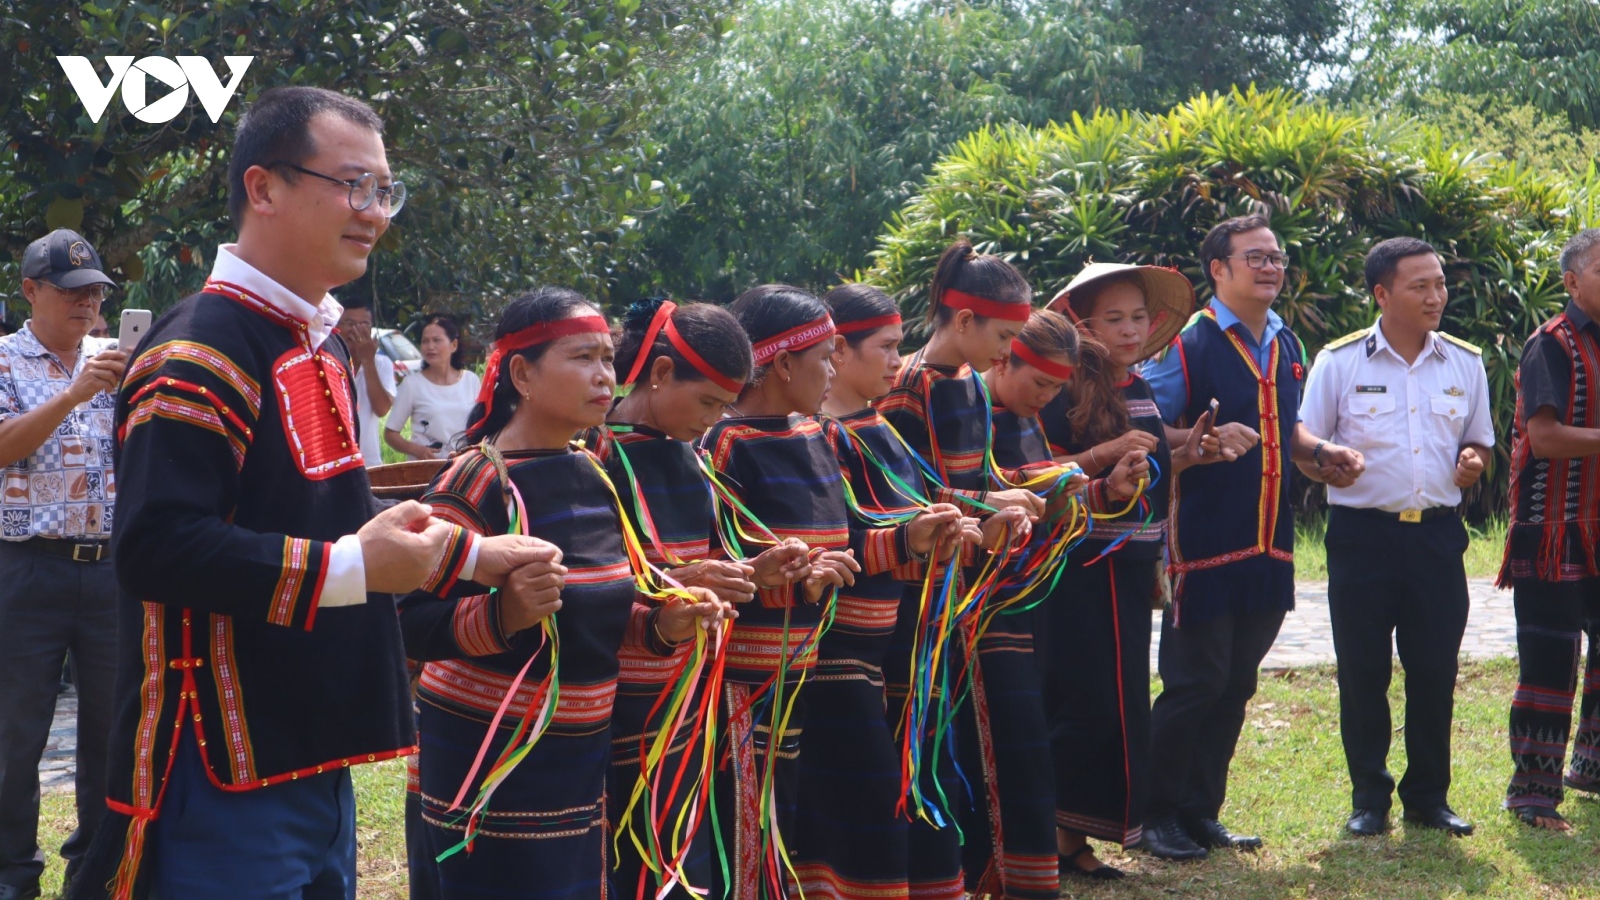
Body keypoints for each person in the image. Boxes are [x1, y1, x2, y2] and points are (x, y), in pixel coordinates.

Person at [72, 86, 549, 900]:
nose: (374, 212)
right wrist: (355, 570)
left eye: (384, 191)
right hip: (221, 761)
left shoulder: (315, 345)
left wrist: (472, 555)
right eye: (352, 184)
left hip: (309, 749)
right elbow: (156, 547)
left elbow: (321, 515)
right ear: (263, 188)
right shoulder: (199, 350)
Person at [398, 287, 730, 898]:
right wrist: (503, 614)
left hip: (579, 760)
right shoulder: (477, 477)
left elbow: (606, 608)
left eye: (607, 359)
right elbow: (409, 620)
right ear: (522, 373)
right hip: (490, 767)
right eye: (582, 359)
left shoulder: (594, 471)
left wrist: (665, 623)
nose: (604, 376)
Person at [1141, 214, 1364, 860]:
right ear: (1219, 270)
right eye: (1256, 257)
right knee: (1195, 684)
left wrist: (1324, 453)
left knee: (1237, 683)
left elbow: (1285, 428)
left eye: (1277, 257)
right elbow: (1145, 424)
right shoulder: (1190, 344)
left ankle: (1199, 811)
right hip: (1204, 546)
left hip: (1269, 543)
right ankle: (1153, 816)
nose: (1271, 267)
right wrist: (1198, 443)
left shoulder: (1285, 343)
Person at [595, 298, 809, 899]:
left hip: (689, 692)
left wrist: (754, 570)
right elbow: (600, 571)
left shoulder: (689, 455)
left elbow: (701, 558)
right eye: (710, 402)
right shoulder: (598, 455)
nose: (714, 419)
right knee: (627, 845)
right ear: (660, 374)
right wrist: (685, 579)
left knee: (681, 846)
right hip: (620, 696)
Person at [1298, 238, 1490, 838]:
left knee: (1434, 669)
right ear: (1382, 294)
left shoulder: (1464, 361)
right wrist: (1328, 457)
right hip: (1361, 537)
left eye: (1439, 284)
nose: (1436, 296)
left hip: (1437, 538)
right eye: (1420, 286)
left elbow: (1480, 439)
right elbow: (1303, 442)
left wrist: (1473, 462)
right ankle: (1369, 799)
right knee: (1363, 671)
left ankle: (1429, 798)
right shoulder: (1340, 360)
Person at [873, 238, 1047, 899]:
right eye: (1004, 334)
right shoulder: (905, 388)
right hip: (920, 596)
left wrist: (1017, 494)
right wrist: (990, 501)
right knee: (926, 735)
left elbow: (979, 475)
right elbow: (904, 494)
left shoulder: (970, 382)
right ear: (966, 321)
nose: (1011, 351)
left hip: (969, 590)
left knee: (976, 736)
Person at [1036, 262, 1221, 878]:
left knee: (1114, 699)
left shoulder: (1137, 384)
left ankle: (1073, 839)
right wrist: (1103, 465)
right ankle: (1056, 840)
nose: (1130, 329)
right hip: (1077, 562)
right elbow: (1036, 470)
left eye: (1138, 317)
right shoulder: (1057, 388)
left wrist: (1185, 454)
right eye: (1113, 319)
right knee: (1083, 699)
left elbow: (1145, 463)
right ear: (1079, 323)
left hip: (1128, 562)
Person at [794, 284, 977, 900]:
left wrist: (967, 522)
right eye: (887, 347)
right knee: (862, 793)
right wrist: (912, 541)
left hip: (903, 641)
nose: (900, 360)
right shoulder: (819, 437)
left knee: (908, 781)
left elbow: (921, 504)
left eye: (901, 346)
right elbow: (849, 535)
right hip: (847, 650)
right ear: (839, 351)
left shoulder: (879, 427)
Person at [971, 308, 1147, 900]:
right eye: (1040, 384)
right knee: (999, 744)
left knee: (1025, 744)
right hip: (974, 609)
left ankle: (1029, 871)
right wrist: (1088, 467)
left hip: (1025, 599)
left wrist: (1104, 490)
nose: (1046, 397)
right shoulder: (965, 409)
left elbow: (1043, 492)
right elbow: (975, 494)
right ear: (1003, 359)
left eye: (1055, 387)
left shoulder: (1023, 416)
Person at [700, 284, 861, 899]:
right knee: (744, 811)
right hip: (740, 674)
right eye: (824, 355)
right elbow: (716, 559)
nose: (834, 369)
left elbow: (853, 528)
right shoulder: (725, 444)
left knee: (782, 809)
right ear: (783, 363)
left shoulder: (819, 435)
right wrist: (788, 578)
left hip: (801, 662)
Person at [0, 228, 124, 900]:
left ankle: (95, 876)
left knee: (110, 732)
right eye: (72, 291)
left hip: (108, 570)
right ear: (31, 290)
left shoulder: (114, 360)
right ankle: (12, 876)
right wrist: (74, 395)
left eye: (96, 291)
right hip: (26, 568)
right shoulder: (3, 361)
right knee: (16, 736)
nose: (87, 304)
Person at [1499, 227, 1600, 831]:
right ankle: (1532, 794)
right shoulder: (1551, 345)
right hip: (1554, 529)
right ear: (1571, 282)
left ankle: (1590, 769)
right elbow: (1544, 437)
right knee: (1550, 660)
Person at [385, 313, 480, 460]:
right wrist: (417, 450)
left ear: (453, 345)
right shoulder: (412, 385)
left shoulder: (471, 381)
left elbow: (481, 426)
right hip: (426, 471)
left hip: (463, 468)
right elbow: (390, 434)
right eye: (425, 341)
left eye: (437, 340)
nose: (430, 347)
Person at [336, 297, 397, 466]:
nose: (356, 330)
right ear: (336, 327)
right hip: (336, 462)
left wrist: (368, 361)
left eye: (363, 324)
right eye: (349, 323)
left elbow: (382, 409)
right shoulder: (329, 361)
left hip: (369, 463)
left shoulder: (381, 363)